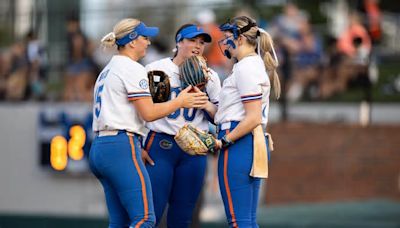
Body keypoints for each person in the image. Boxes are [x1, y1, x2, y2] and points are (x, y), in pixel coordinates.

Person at [89, 18, 208, 228]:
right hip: (121, 145)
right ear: (132, 41)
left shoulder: (107, 69)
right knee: (145, 219)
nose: (149, 42)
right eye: (144, 37)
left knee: (119, 221)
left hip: (101, 146)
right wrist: (180, 101)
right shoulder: (135, 68)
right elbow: (149, 113)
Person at [142, 24, 221, 227]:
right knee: (152, 212)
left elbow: (219, 117)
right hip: (162, 144)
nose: (197, 46)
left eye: (201, 42)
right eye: (192, 40)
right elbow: (153, 111)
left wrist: (205, 103)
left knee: (183, 216)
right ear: (179, 42)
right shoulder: (159, 70)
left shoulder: (210, 76)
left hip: (194, 149)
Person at [215, 15, 281, 227]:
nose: (225, 43)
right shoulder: (251, 65)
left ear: (240, 38)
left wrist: (224, 141)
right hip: (252, 140)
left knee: (238, 221)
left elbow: (251, 117)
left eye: (227, 37)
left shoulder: (246, 66)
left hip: (239, 140)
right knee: (247, 222)